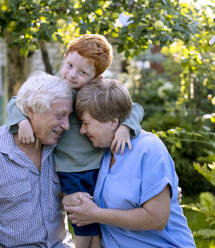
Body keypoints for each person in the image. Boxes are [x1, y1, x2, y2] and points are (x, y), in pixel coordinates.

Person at [6, 34, 144, 248]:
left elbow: (133, 108)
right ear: (64, 58)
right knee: (82, 219)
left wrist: (126, 127)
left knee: (98, 221)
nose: (72, 75)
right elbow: (18, 102)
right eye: (69, 65)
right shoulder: (56, 91)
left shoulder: (96, 94)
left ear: (96, 76)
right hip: (69, 168)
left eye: (82, 72)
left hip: (97, 165)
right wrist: (22, 121)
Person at [62, 79, 196, 248]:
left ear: (113, 121)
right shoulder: (102, 153)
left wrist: (96, 214)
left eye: (87, 123)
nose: (82, 130)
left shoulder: (148, 149)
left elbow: (157, 219)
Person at [0, 72, 75, 247]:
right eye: (59, 116)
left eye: (68, 116)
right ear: (30, 110)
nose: (66, 125)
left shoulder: (63, 148)